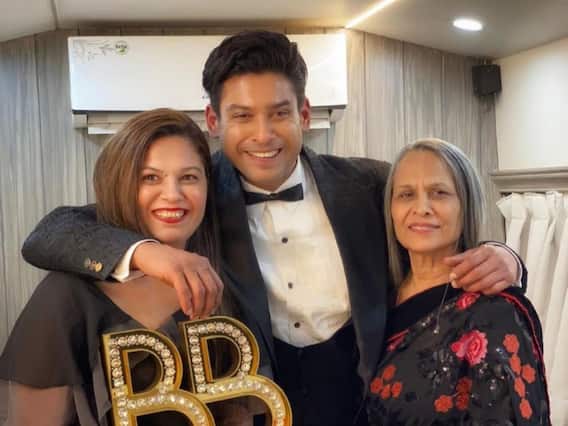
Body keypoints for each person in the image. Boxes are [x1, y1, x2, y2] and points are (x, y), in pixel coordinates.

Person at [19, 31, 525, 426]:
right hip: (257, 406)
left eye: (279, 113)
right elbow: (52, 231)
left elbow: (434, 211)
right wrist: (152, 252)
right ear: (214, 120)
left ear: (303, 113)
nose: (263, 135)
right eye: (242, 116)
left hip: (362, 403)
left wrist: (505, 254)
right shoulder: (192, 192)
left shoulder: (369, 183)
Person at [0, 108, 235, 425]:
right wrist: (147, 253)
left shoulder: (222, 267)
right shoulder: (65, 295)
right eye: (150, 177)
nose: (173, 195)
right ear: (122, 185)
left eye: (189, 177)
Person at [366, 139, 550, 425]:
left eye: (439, 193)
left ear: (466, 205)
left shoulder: (495, 313)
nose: (421, 208)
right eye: (406, 194)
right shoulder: (373, 293)